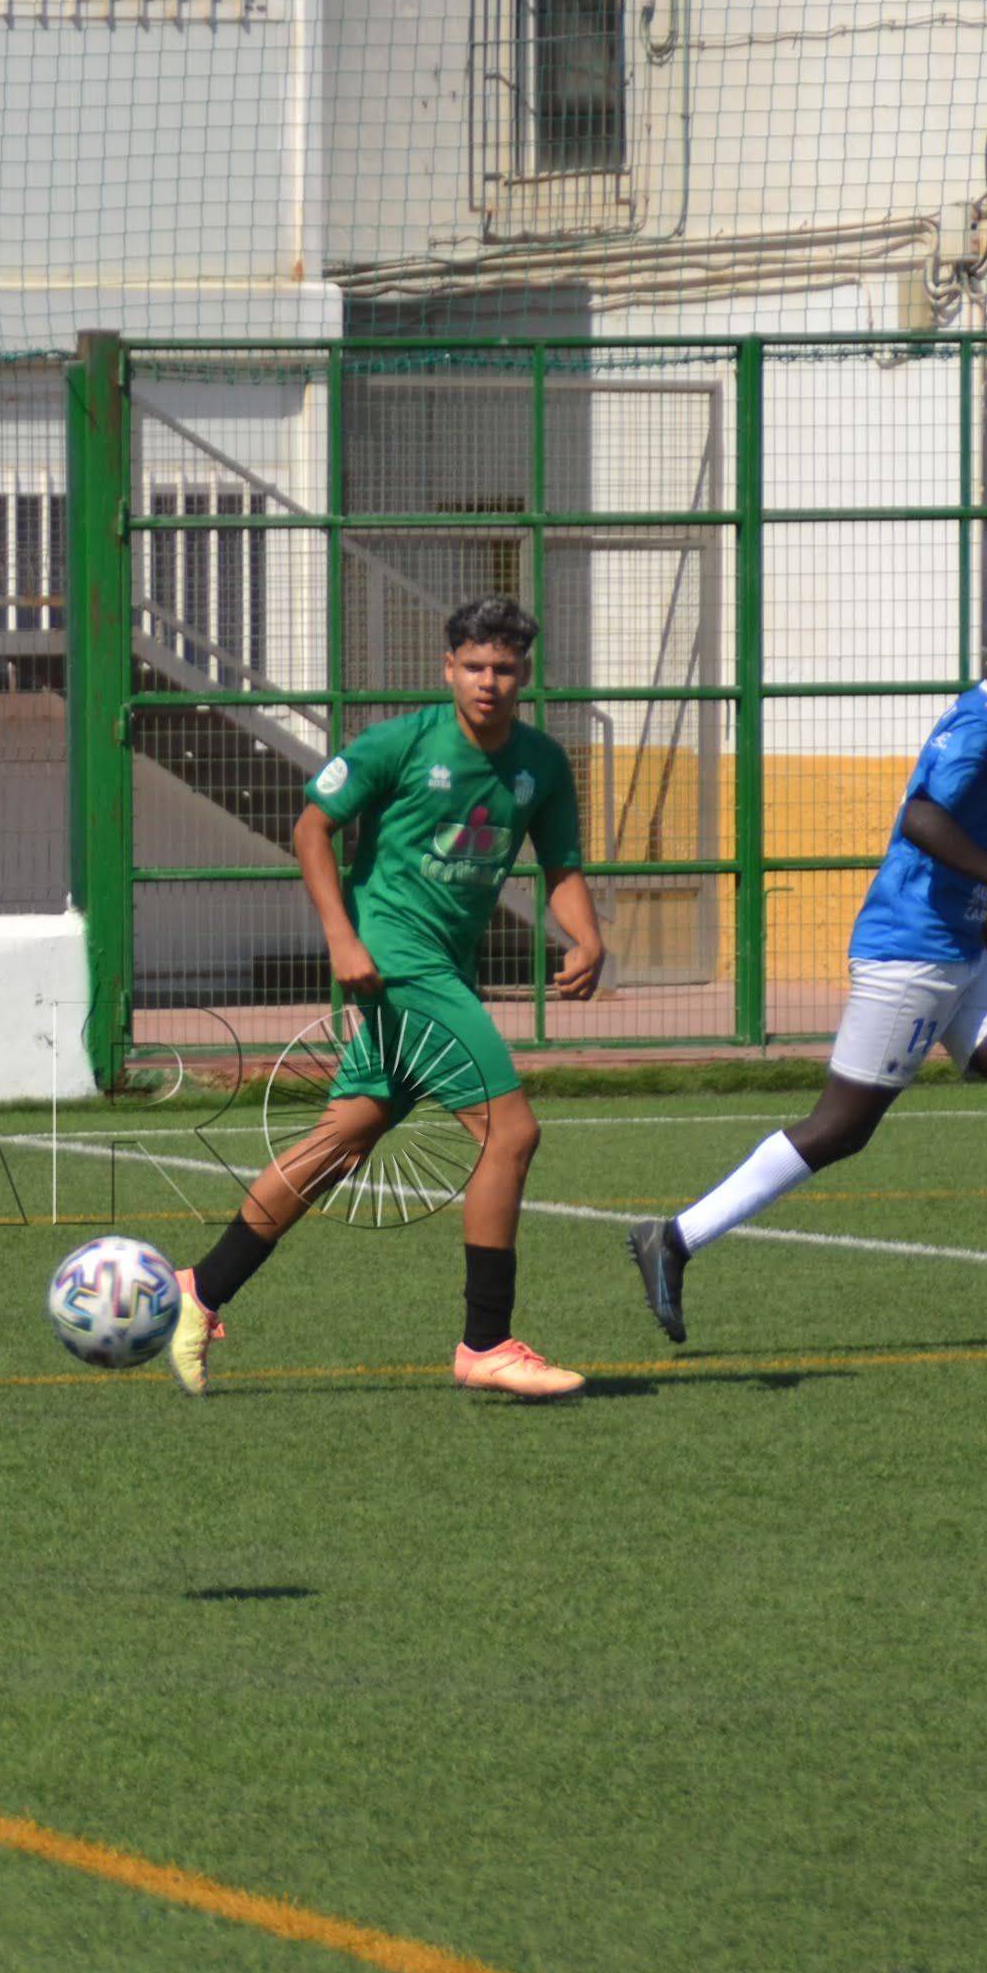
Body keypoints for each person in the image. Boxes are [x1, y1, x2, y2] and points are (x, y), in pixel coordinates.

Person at [626, 609, 987, 1350]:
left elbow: (947, 839)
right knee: (841, 1128)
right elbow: (925, 822)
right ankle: (673, 1238)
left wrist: (981, 916)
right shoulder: (979, 729)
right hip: (911, 955)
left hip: (959, 949)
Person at [168, 595, 605, 1402]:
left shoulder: (540, 764)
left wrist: (586, 935)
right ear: (448, 668)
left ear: (526, 675)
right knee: (510, 1133)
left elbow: (562, 868)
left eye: (504, 670)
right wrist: (342, 937)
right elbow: (311, 828)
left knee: (344, 1141)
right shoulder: (400, 744)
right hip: (399, 965)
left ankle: (201, 1289)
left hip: (445, 966)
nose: (488, 683)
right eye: (474, 667)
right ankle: (485, 1341)